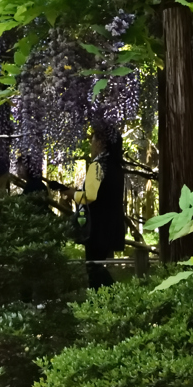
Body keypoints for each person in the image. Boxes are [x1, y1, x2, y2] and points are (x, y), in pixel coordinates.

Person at [75, 121, 126, 288]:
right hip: (113, 226)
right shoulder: (117, 167)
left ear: (101, 143)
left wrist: (72, 194)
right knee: (98, 266)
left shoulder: (97, 166)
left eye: (93, 140)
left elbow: (89, 196)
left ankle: (109, 299)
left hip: (97, 229)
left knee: (94, 269)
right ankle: (111, 299)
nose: (91, 145)